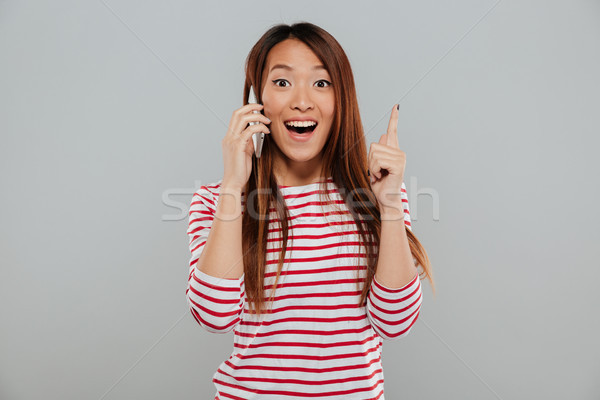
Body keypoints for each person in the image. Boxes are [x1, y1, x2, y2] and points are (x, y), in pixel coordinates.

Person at [186, 21, 435, 400]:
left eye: (321, 83)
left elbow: (396, 322)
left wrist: (388, 207)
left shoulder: (378, 197)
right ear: (256, 100)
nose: (302, 101)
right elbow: (213, 316)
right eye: (282, 82)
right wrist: (234, 186)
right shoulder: (215, 200)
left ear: (342, 99)